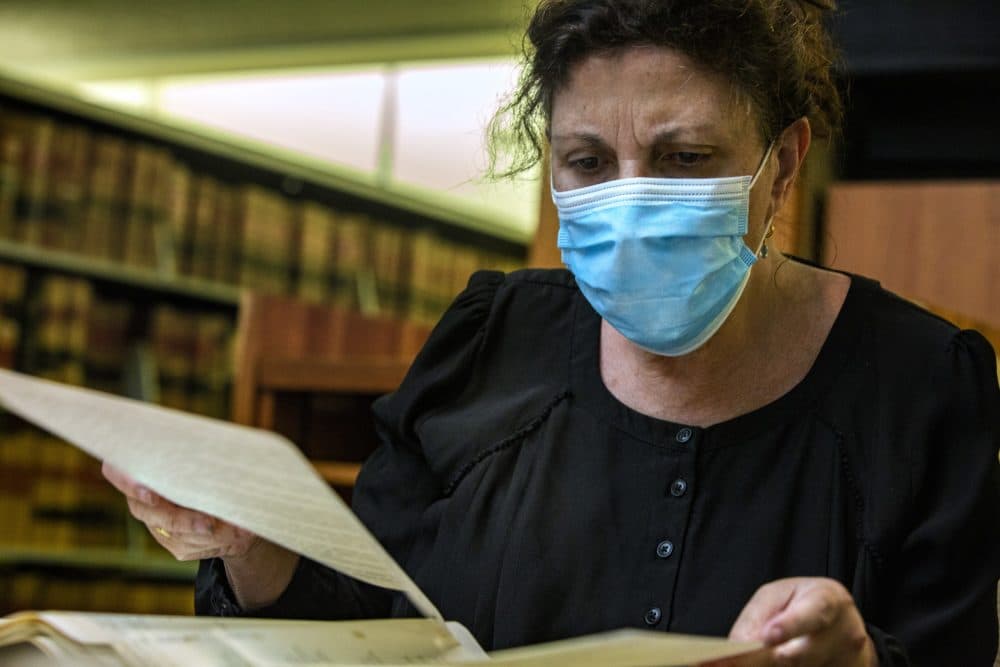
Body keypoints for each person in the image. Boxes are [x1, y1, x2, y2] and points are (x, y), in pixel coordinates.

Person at [102, 0, 1000, 665]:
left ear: (784, 164)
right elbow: (369, 626)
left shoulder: (923, 388)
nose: (631, 198)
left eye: (684, 159)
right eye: (588, 162)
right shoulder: (488, 345)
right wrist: (256, 545)